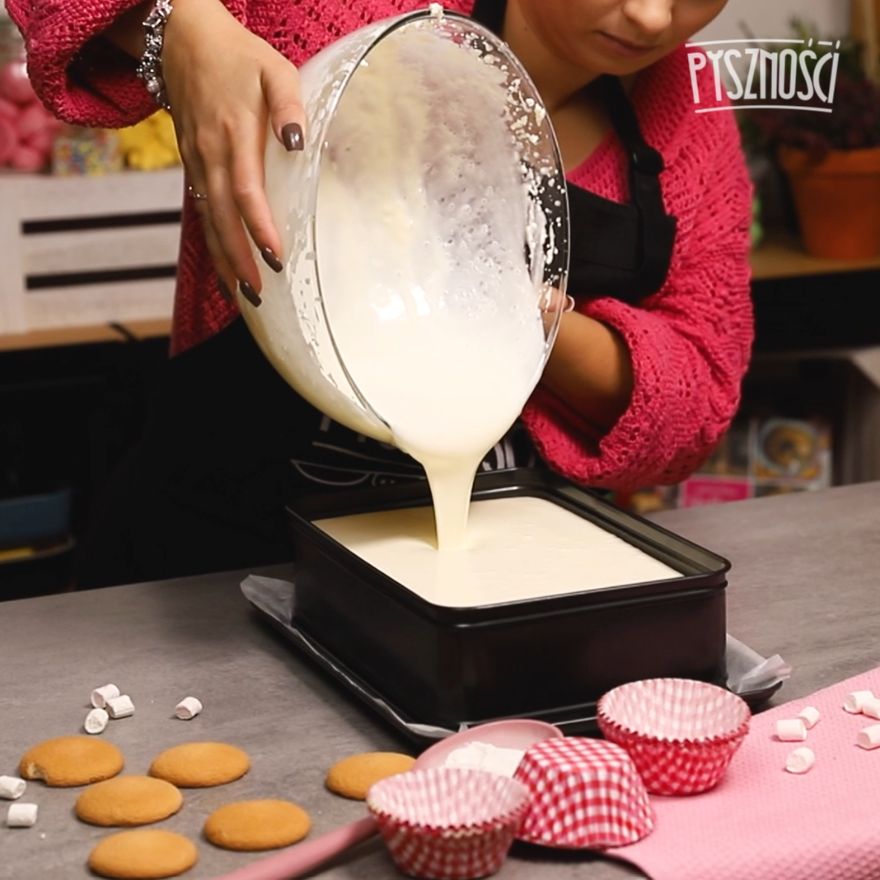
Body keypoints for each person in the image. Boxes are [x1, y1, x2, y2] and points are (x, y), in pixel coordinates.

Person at [7, 0, 753, 587]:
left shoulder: (687, 107)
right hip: (217, 560)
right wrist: (182, 28)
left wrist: (527, 320)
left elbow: (698, 406)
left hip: (495, 584)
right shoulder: (336, 12)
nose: (654, 16)